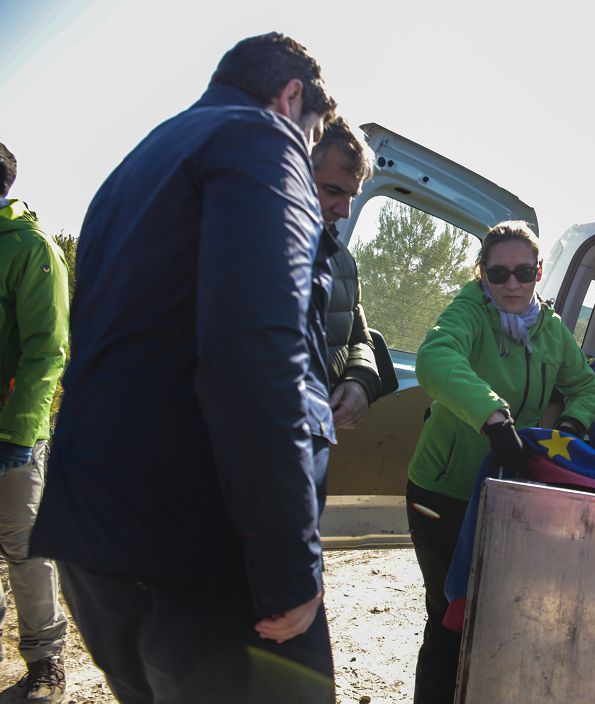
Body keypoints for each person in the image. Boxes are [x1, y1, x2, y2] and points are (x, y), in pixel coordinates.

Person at [30, 34, 338, 704]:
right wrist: (290, 562)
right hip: (199, 547)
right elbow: (256, 354)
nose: (307, 152)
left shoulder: (140, 161)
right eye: (313, 136)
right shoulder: (263, 138)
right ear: (292, 98)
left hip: (99, 538)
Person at [406, 221, 595, 704]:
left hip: (508, 491)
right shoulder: (470, 311)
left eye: (522, 273)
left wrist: (572, 429)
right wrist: (492, 417)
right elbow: (435, 358)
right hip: (444, 493)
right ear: (483, 276)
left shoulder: (553, 330)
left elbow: (587, 386)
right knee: (450, 616)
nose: (511, 285)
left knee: (498, 616)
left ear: (538, 273)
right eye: (498, 274)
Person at [0, 142, 70, 704]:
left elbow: (47, 349)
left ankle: (46, 661)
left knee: (25, 547)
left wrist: (19, 433)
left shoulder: (32, 249)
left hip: (12, 435)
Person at [308, 117, 380, 511]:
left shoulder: (342, 263)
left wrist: (359, 382)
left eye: (353, 196)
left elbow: (360, 337)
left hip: (310, 449)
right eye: (333, 191)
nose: (344, 208)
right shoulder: (238, 243)